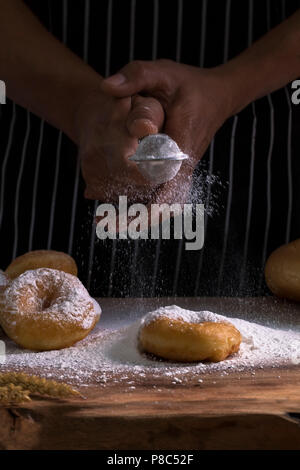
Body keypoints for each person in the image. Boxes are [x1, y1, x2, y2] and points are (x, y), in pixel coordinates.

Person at [0, 0, 299, 297]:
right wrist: (78, 104)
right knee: (35, 317)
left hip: (256, 139)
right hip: (49, 128)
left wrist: (233, 85)